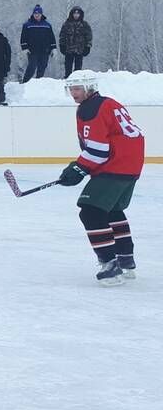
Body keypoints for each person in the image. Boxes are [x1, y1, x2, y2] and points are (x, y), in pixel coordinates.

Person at [59, 70, 144, 285]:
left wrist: (77, 169)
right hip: (131, 163)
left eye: (77, 88)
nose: (73, 93)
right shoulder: (108, 102)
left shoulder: (90, 108)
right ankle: (125, 260)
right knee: (112, 210)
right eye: (71, 88)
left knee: (91, 212)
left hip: (116, 164)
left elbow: (98, 151)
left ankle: (110, 265)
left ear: (89, 88)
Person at [20, 5, 57, 82]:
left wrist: (53, 48)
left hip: (45, 50)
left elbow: (51, 37)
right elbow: (23, 37)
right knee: (32, 67)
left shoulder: (47, 25)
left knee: (42, 67)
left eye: (38, 13)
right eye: (35, 13)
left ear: (41, 14)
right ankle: (25, 82)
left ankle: (38, 83)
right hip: (32, 51)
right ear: (33, 14)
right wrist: (24, 48)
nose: (37, 15)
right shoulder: (27, 25)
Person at [59, 7, 92, 78]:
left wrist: (88, 46)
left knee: (78, 67)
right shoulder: (67, 24)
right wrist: (62, 45)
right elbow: (62, 35)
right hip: (68, 49)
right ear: (72, 14)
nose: (76, 15)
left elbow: (89, 36)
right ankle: (67, 77)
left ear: (80, 14)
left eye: (78, 13)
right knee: (68, 65)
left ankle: (77, 78)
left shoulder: (84, 25)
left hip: (80, 49)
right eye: (75, 13)